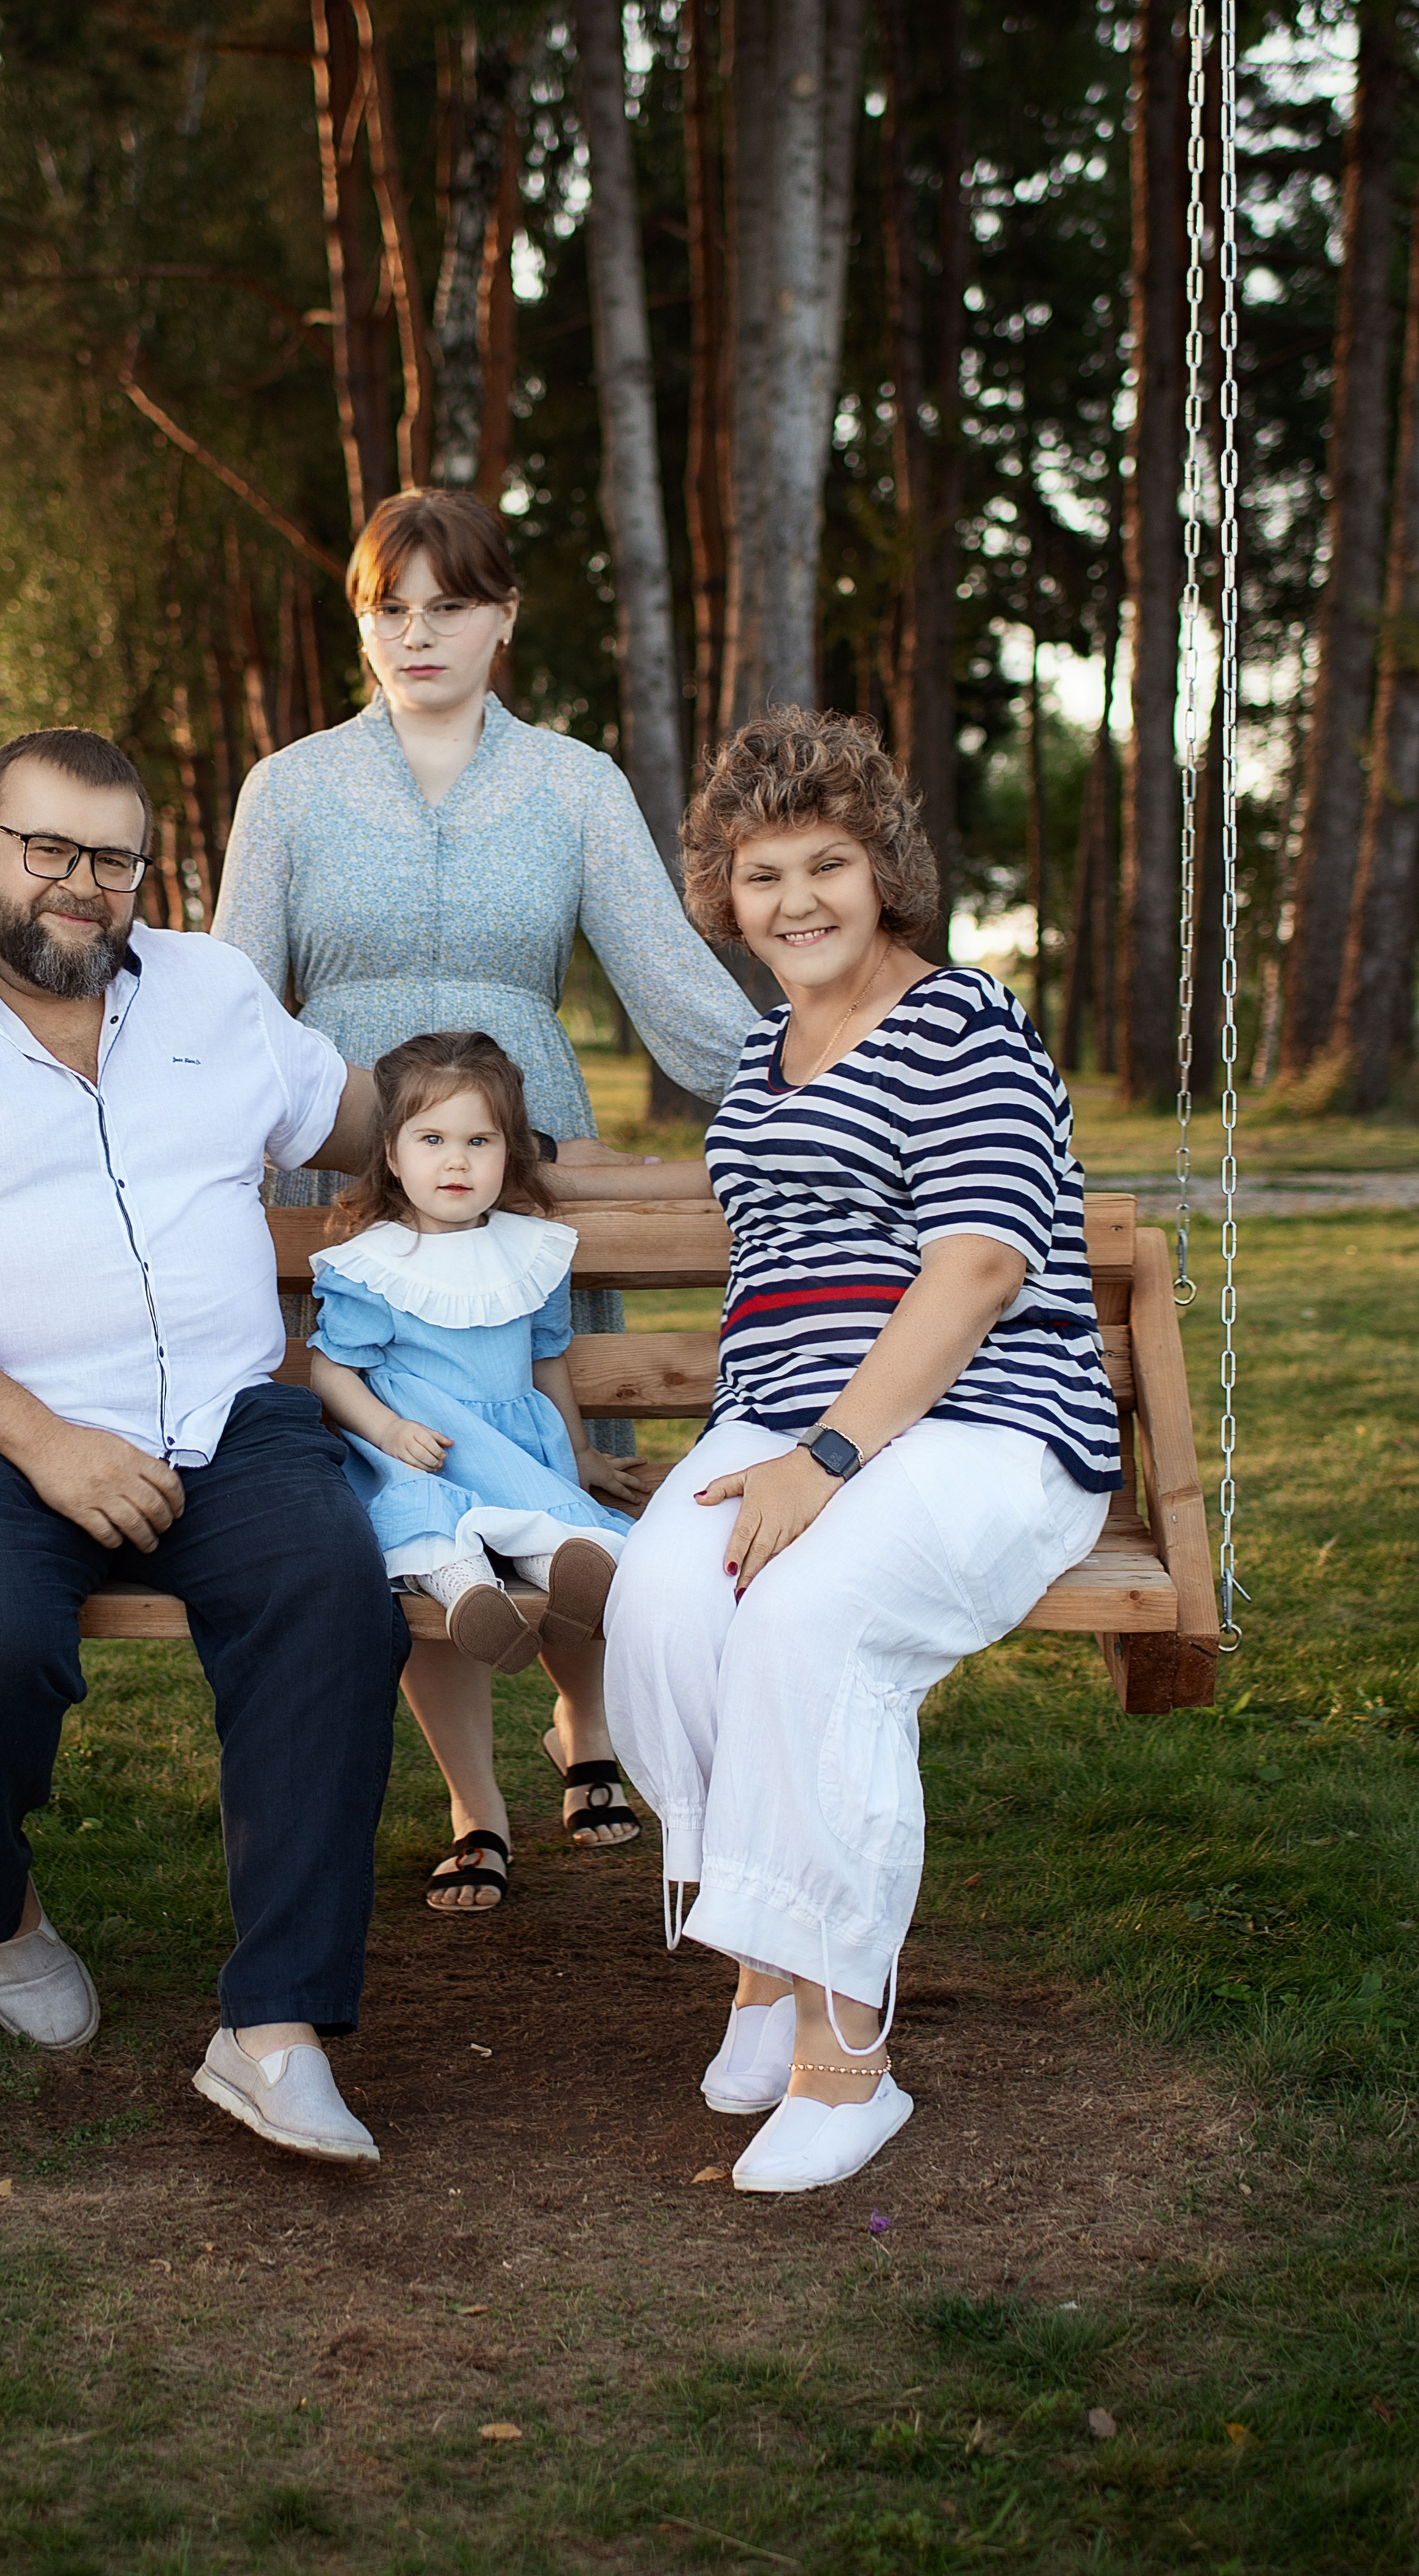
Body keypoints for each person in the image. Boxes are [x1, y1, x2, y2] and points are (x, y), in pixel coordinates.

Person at [0, 727, 409, 2170]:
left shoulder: (212, 994)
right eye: (47, 847)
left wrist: (484, 1118)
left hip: (225, 1419)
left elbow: (360, 1115)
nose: (80, 883)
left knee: (331, 1605)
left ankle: (276, 2029)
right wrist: (46, 1442)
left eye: (110, 857)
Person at [601, 709, 1118, 2195]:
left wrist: (821, 1462)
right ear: (727, 897)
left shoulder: (963, 1024)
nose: (794, 900)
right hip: (791, 1431)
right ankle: (761, 1968)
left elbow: (970, 1270)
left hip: (976, 1431)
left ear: (881, 869)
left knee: (808, 1630)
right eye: (761, 875)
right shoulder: (765, 1051)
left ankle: (846, 2061)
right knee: (661, 1609)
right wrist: (777, 1445)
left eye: (824, 862)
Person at [213, 486, 755, 1887]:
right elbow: (227, 1011)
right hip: (348, 1188)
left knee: (545, 1448)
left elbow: (675, 989)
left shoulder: (574, 784)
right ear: (364, 621)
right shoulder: (289, 788)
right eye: (390, 605)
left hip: (531, 1186)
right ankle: (473, 1805)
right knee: (397, 1488)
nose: (420, 631)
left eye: (451, 603)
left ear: (505, 616)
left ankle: (587, 1730)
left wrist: (834, 1070)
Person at [309, 1033, 638, 1912]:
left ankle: (549, 1582)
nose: (455, 1161)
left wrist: (578, 1456)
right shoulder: (372, 1262)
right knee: (428, 1525)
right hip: (423, 1452)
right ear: (391, 1153)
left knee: (557, 1526)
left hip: (514, 1454)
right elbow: (331, 1370)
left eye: (479, 1141)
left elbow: (547, 1368)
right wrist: (387, 1425)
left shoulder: (529, 1253)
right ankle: (468, 1599)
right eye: (432, 1140)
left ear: (509, 1153)